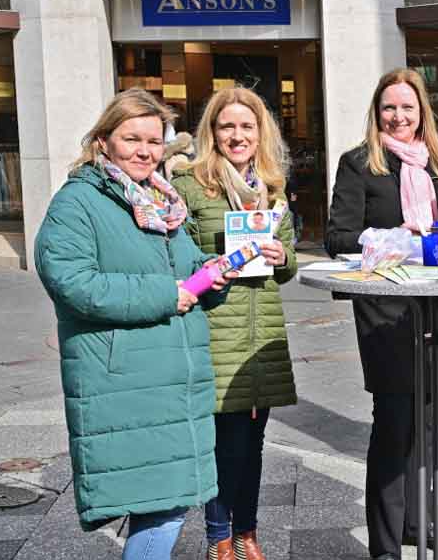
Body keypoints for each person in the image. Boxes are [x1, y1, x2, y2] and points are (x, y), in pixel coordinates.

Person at [34, 89, 235, 560]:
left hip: (169, 381)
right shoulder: (78, 201)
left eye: (155, 140)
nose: (145, 150)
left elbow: (182, 268)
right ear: (103, 141)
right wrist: (169, 295)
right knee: (162, 506)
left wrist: (214, 272)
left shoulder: (158, 200)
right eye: (132, 139)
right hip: (124, 380)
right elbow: (71, 281)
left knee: (164, 503)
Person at [325, 68, 438, 560]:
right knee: (394, 421)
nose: (399, 117)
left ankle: (416, 524)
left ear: (422, 111)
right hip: (384, 310)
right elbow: (337, 237)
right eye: (389, 108)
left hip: (435, 309)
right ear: (376, 113)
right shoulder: (360, 163)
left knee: (427, 423)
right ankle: (384, 544)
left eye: (407, 107)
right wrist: (391, 237)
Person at [171, 87, 298, 560]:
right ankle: (219, 539)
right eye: (227, 126)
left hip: (260, 333)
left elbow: (286, 271)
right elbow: (177, 260)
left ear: (260, 132)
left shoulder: (273, 188)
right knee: (224, 445)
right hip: (215, 329)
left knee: (254, 444)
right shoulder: (190, 186)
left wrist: (283, 255)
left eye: (247, 126)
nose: (237, 135)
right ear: (213, 132)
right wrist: (210, 266)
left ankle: (247, 535)